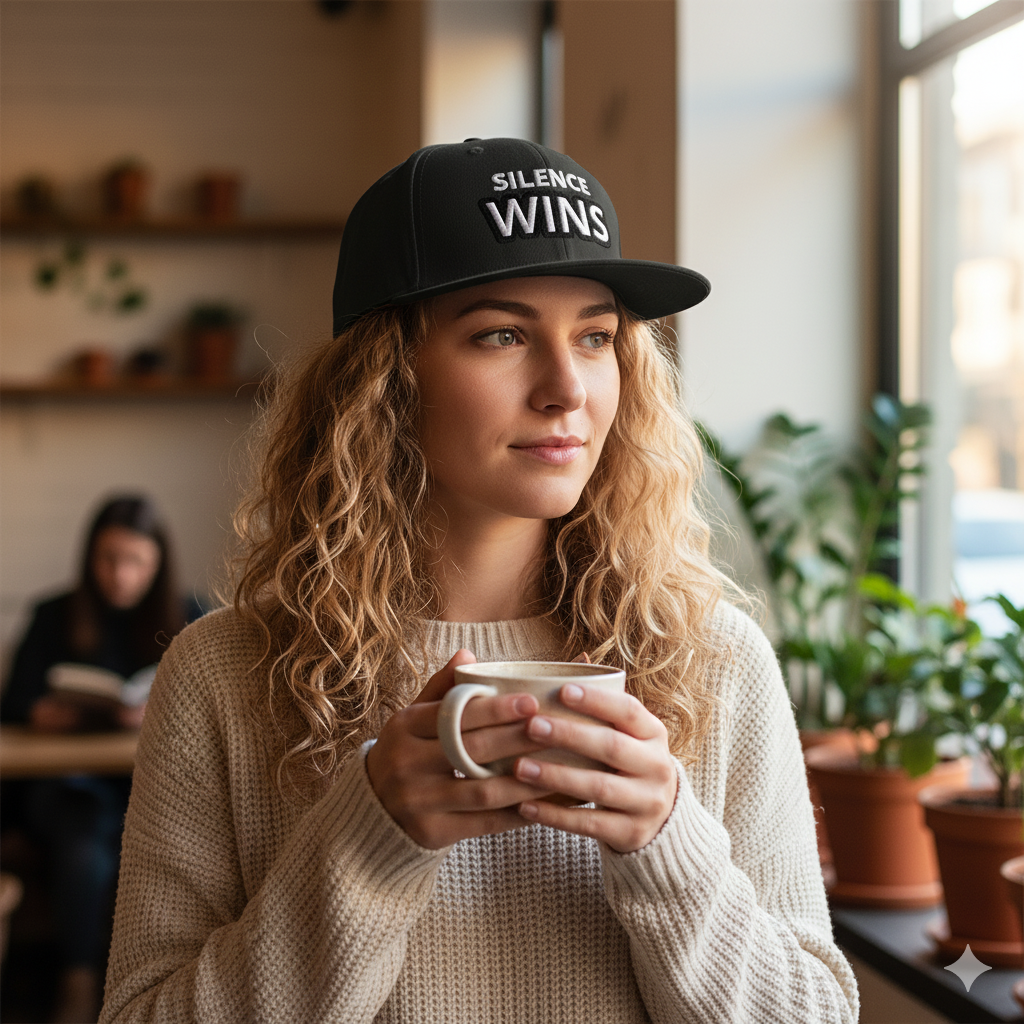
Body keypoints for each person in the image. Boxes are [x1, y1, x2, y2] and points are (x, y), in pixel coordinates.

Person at [99, 139, 860, 1023]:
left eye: (597, 336)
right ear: (383, 380)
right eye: (501, 334)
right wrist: (368, 841)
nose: (567, 387)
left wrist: (668, 848)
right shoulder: (224, 676)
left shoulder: (717, 663)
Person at [1, 495, 200, 1023]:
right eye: (108, 559)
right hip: (67, 784)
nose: (119, 575)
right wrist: (41, 713)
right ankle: (79, 980)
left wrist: (153, 710)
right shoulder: (52, 616)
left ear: (158, 563)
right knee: (83, 832)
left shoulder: (191, 619)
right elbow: (14, 705)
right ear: (89, 557)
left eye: (134, 561)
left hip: (151, 784)